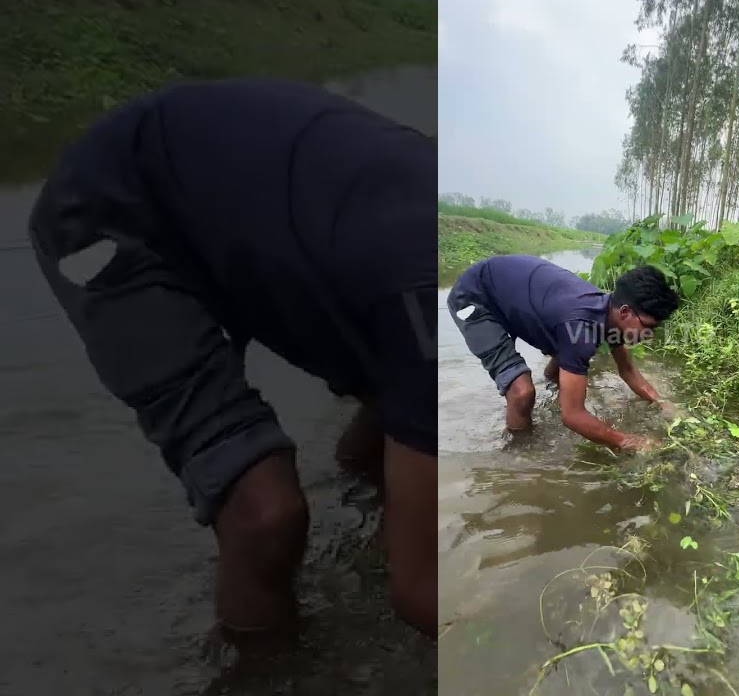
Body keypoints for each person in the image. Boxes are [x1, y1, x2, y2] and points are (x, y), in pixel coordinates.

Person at [26, 79, 436, 644]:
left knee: (405, 414)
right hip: (113, 210)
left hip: (259, 211)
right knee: (265, 516)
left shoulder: (429, 277)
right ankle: (263, 674)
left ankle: (364, 501)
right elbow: (421, 592)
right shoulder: (423, 301)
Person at [446, 254, 679, 450]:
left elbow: (628, 371)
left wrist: (662, 403)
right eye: (648, 327)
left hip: (513, 294)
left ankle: (551, 381)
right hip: (475, 296)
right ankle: (519, 454)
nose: (649, 334)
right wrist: (632, 442)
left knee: (568, 357)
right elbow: (572, 416)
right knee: (522, 393)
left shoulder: (608, 316)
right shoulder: (580, 327)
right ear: (626, 312)